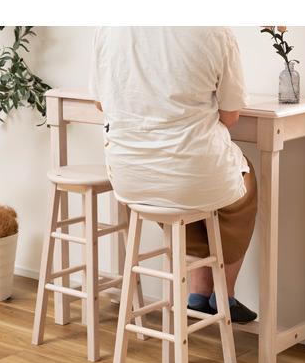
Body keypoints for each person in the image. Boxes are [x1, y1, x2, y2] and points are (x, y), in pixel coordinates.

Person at [89, 26, 257, 322]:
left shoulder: (108, 28)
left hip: (131, 178)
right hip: (190, 177)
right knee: (240, 187)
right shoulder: (215, 31)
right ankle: (224, 295)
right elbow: (230, 116)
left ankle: (198, 293)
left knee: (177, 195)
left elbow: (101, 103)